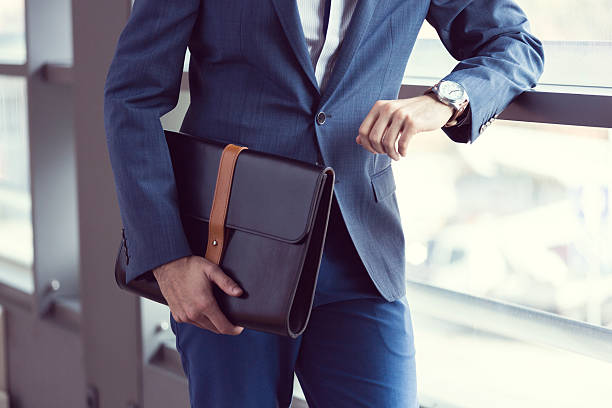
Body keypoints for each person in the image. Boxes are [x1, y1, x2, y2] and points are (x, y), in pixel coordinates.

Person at [103, 0, 544, 406]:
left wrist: (444, 100)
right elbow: (132, 96)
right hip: (228, 257)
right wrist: (167, 258)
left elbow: (514, 42)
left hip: (359, 253)